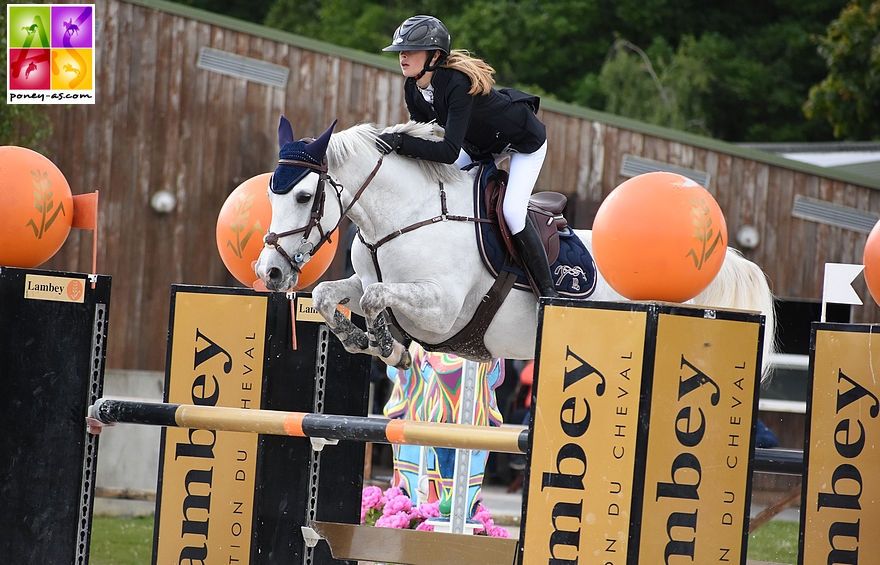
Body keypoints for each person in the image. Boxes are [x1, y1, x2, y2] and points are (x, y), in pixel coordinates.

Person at [378, 15, 558, 298]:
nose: (402, 56)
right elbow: (422, 139)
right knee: (441, 192)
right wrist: (395, 146)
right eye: (401, 51)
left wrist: (399, 142)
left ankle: (548, 292)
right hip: (482, 146)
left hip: (524, 142)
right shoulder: (413, 87)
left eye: (411, 50)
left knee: (512, 211)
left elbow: (448, 152)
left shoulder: (457, 85)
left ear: (435, 56)